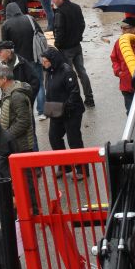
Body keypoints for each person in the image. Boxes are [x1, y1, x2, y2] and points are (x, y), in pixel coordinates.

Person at [41, 48, 86, 179]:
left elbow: (74, 92)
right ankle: (64, 165)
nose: (43, 64)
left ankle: (81, 169)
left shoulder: (67, 71)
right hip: (56, 110)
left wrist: (65, 108)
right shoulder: (49, 72)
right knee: (54, 137)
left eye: (45, 61)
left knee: (74, 140)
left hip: (71, 111)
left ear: (53, 61)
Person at [48, 0, 94, 108]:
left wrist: (57, 45)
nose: (52, 0)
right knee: (82, 72)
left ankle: (75, 101)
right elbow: (82, 24)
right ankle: (89, 98)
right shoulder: (76, 7)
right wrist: (78, 36)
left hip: (65, 49)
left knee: (69, 76)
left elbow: (59, 31)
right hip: (77, 46)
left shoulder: (59, 12)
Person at [0, 64, 35, 153]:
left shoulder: (17, 96)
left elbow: (23, 122)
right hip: (14, 143)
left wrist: (6, 136)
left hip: (21, 146)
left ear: (4, 79)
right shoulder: (7, 92)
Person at [0, 40, 41, 116]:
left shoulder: (22, 63)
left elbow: (35, 82)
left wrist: (27, 100)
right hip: (8, 105)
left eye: (0, 51)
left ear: (8, 52)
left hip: (23, 105)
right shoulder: (0, 65)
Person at [110, 17, 135, 114]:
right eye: (121, 28)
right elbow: (114, 59)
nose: (122, 31)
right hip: (126, 85)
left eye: (125, 28)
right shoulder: (119, 43)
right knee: (130, 112)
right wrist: (118, 71)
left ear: (134, 29)